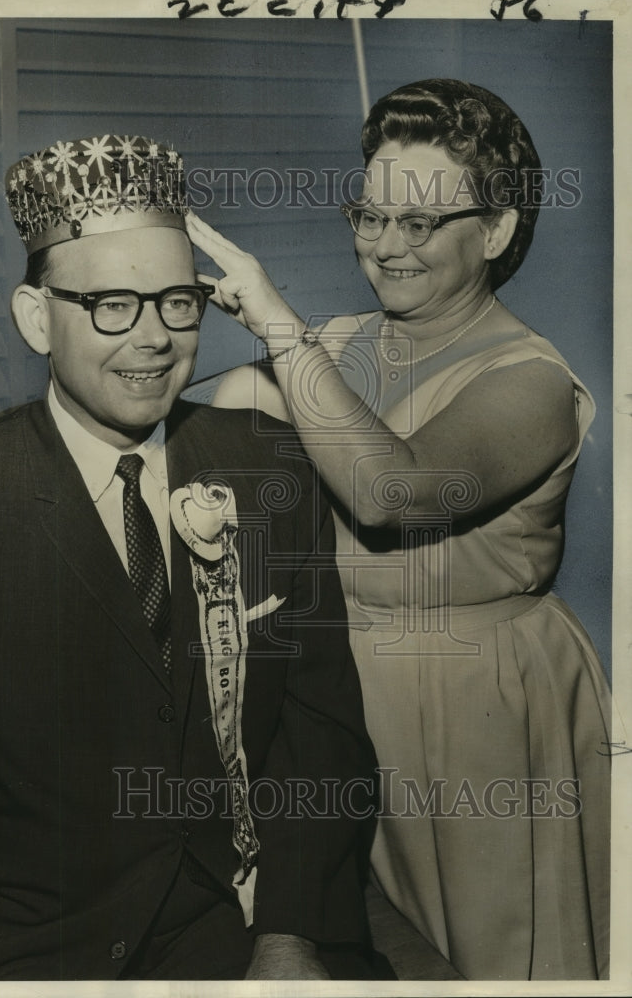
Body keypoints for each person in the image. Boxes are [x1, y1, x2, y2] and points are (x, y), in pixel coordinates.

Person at [0, 134, 390, 981]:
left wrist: (289, 935)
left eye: (176, 301)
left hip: (237, 924)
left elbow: (318, 738)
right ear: (37, 318)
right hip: (24, 954)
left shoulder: (273, 471)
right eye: (112, 303)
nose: (152, 339)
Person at [186, 79, 612, 980]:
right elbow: (204, 449)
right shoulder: (331, 347)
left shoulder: (530, 380)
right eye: (369, 216)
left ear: (494, 230)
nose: (383, 247)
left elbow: (391, 490)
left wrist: (272, 325)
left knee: (489, 963)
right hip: (330, 708)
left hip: (479, 713)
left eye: (418, 224)